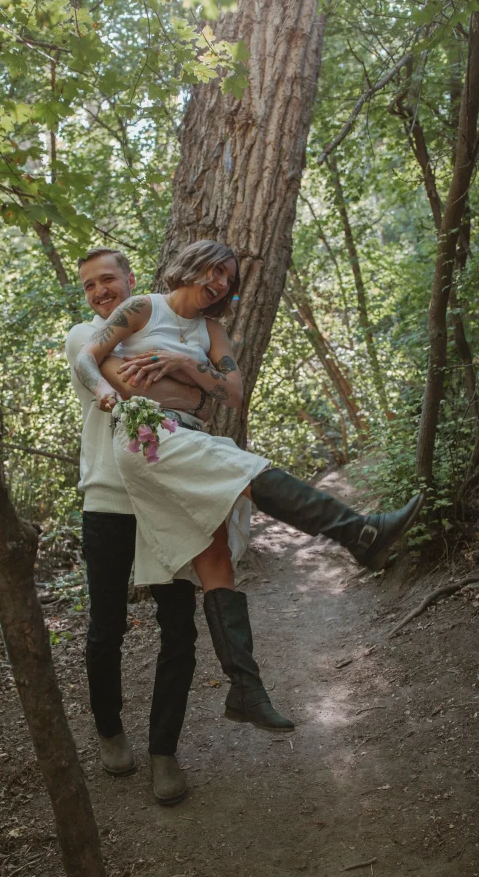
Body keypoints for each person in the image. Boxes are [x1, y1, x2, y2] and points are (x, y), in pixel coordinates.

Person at [74, 240, 424, 736]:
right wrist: (110, 393)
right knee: (246, 470)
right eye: (213, 270)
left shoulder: (213, 330)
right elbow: (89, 358)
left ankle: (245, 690)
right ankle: (358, 534)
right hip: (152, 436)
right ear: (190, 267)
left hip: (191, 437)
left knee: (214, 555)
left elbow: (232, 395)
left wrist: (181, 368)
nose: (219, 282)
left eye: (227, 278)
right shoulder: (140, 308)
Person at [66, 247, 213, 806]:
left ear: (132, 283)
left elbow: (207, 403)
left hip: (165, 496)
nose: (100, 292)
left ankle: (164, 751)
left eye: (109, 281)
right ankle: (109, 730)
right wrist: (188, 386)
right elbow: (158, 395)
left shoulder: (164, 334)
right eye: (90, 286)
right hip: (107, 497)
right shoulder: (85, 336)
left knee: (179, 625)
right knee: (107, 627)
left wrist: (189, 384)